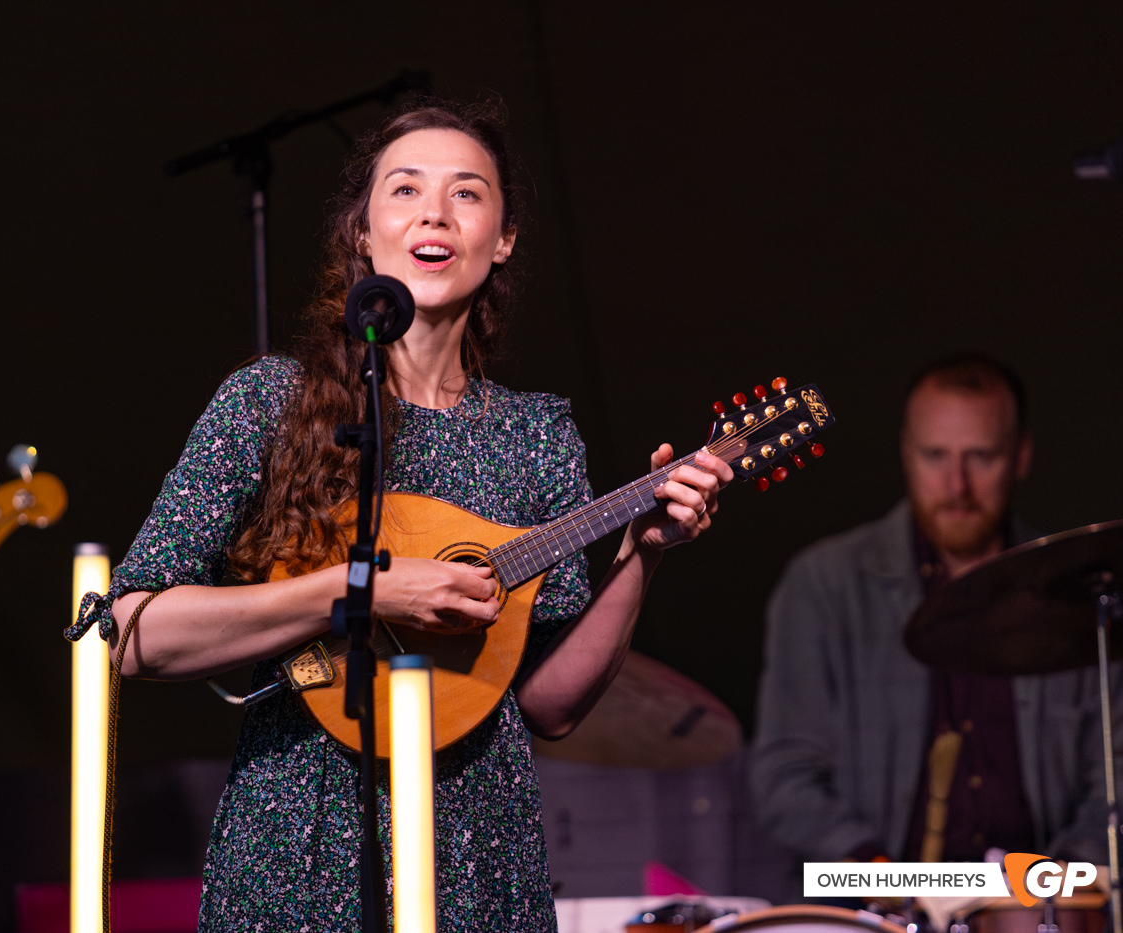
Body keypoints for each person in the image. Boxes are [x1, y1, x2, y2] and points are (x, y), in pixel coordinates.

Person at [67, 99, 732, 931]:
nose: (434, 212)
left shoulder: (537, 434)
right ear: (362, 231)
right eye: (405, 189)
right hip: (297, 834)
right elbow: (125, 632)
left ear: (504, 239)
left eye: (467, 193)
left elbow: (552, 702)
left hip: (480, 845)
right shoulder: (268, 403)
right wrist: (361, 592)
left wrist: (643, 553)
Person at [750, 354, 1115, 878]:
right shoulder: (824, 584)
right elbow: (783, 777)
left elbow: (1114, 778)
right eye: (935, 455)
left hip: (1037, 907)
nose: (957, 484)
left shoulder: (1082, 587)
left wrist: (1059, 884)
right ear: (905, 454)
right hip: (873, 903)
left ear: (1021, 456)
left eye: (981, 457)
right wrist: (884, 880)